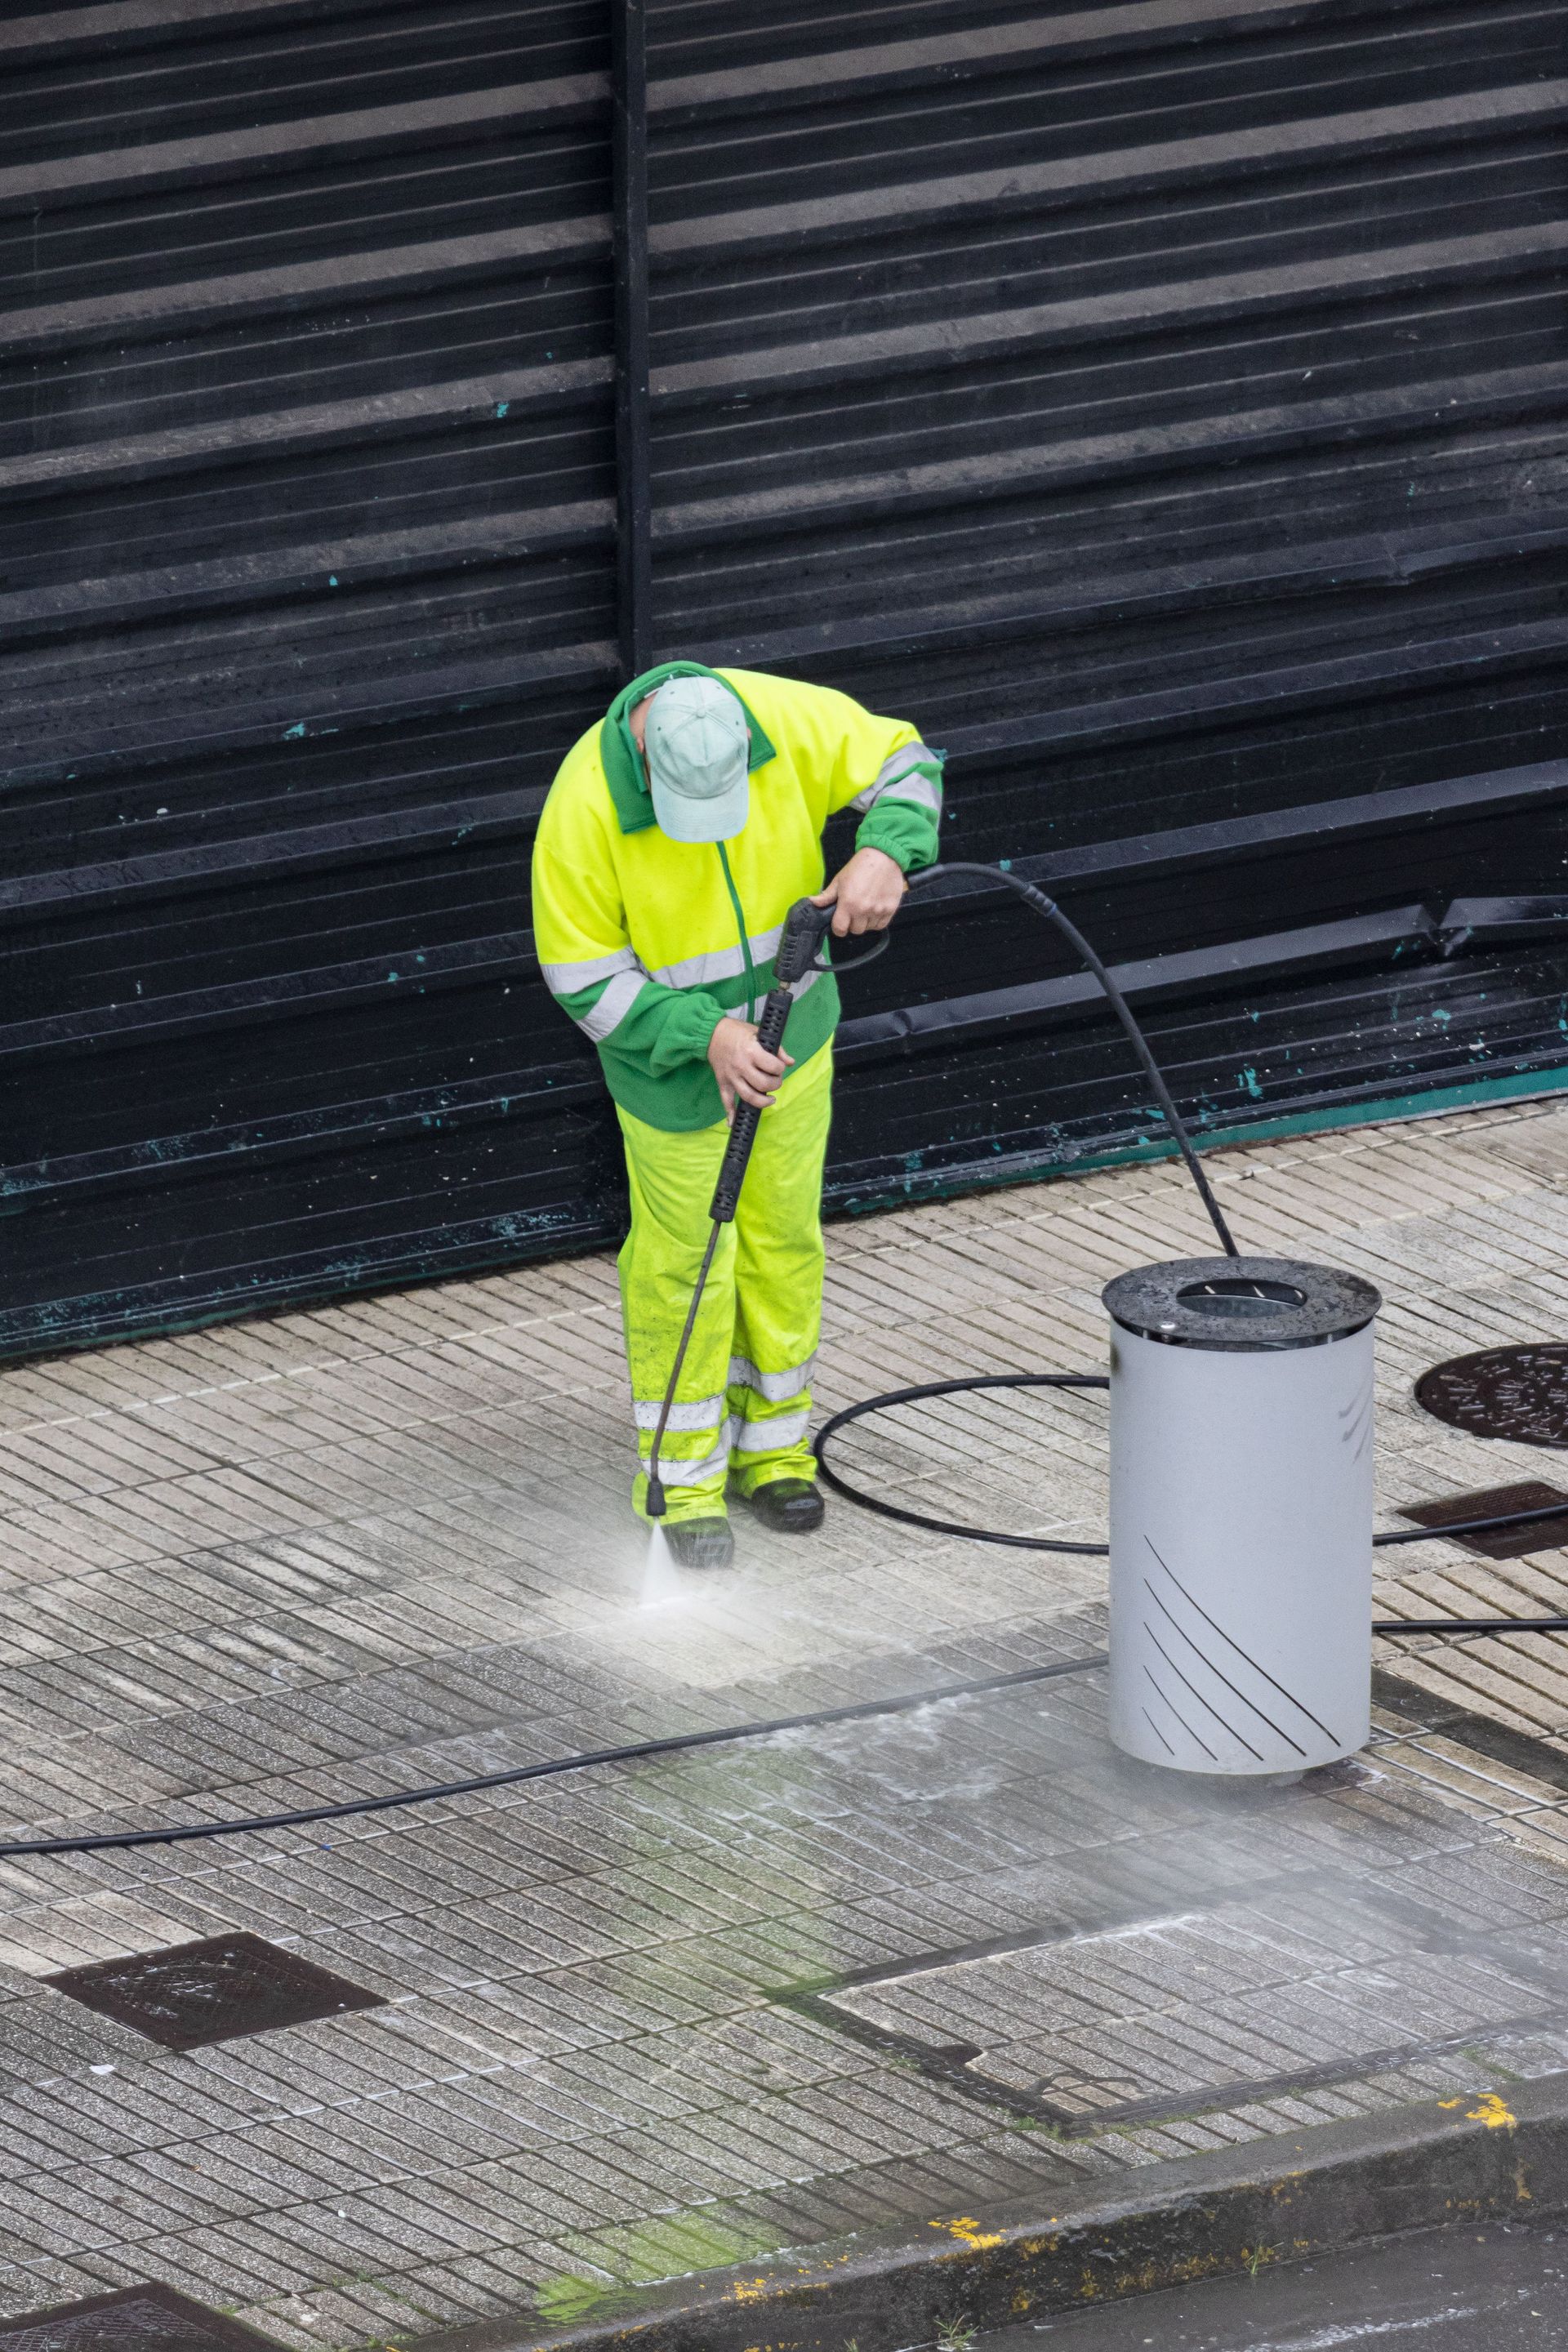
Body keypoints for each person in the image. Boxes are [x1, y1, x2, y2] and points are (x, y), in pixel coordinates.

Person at [531, 662, 943, 1566]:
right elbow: (581, 980)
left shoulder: (779, 716)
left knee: (783, 1242)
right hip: (674, 1078)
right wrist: (703, 1036)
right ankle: (682, 1482)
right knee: (687, 1265)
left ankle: (774, 1451)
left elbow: (904, 758)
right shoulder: (585, 805)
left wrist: (887, 847)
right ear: (645, 751)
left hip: (795, 1041)